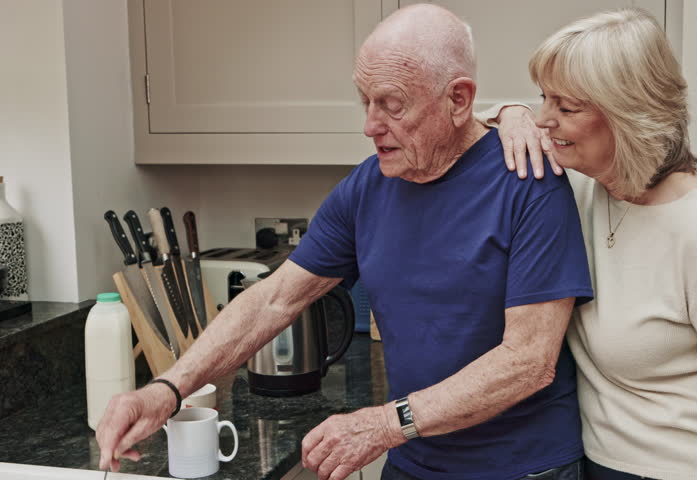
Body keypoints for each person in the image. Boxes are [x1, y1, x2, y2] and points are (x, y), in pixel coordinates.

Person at [95, 4, 594, 480]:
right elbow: (274, 299)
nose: (370, 125)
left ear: (459, 100)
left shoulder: (528, 181)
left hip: (522, 469)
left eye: (392, 105)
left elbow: (527, 362)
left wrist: (382, 425)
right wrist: (167, 390)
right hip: (414, 463)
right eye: (365, 101)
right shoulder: (367, 186)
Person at [486, 8, 697, 480]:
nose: (544, 121)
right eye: (541, 99)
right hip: (597, 463)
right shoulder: (583, 187)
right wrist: (510, 115)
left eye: (566, 108)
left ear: (628, 116)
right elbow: (459, 124)